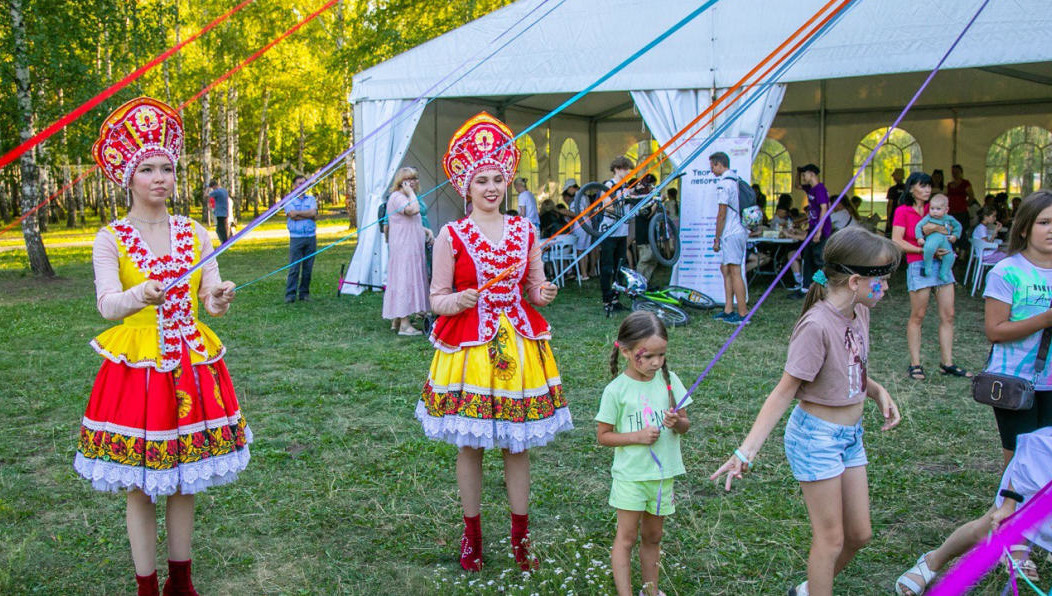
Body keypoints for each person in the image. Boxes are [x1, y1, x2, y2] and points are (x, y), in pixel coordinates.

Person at [77, 97, 250, 596]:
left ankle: (182, 579)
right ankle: (147, 586)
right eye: (147, 169)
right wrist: (141, 294)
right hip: (139, 370)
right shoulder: (110, 238)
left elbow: (210, 305)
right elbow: (108, 305)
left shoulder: (195, 233)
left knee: (184, 478)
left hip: (192, 367)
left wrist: (218, 297)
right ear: (128, 178)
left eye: (167, 168)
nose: (159, 177)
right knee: (140, 482)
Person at [417, 112, 572, 572]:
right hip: (469, 353)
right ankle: (472, 535)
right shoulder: (452, 235)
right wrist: (458, 298)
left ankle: (521, 537)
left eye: (497, 179)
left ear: (507, 181)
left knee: (517, 445)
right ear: (466, 185)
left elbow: (533, 288)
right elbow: (435, 298)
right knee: (471, 446)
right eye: (481, 179)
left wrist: (542, 292)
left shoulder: (525, 231)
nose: (490, 187)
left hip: (519, 350)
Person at [711, 227, 902, 596]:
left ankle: (809, 589)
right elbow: (784, 392)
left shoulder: (860, 310)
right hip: (816, 439)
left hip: (850, 437)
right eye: (883, 280)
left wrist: (875, 390)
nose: (888, 288)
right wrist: (745, 451)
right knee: (830, 541)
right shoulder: (815, 325)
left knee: (860, 535)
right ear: (856, 280)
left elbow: (849, 363)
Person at [597, 311, 691, 596]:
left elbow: (685, 424)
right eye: (647, 356)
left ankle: (651, 591)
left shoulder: (670, 380)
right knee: (626, 538)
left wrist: (678, 423)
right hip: (631, 477)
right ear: (625, 351)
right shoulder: (616, 390)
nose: (656, 363)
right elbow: (603, 436)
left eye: (661, 355)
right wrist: (637, 437)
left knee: (654, 537)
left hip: (663, 477)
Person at [894, 426, 1052, 595]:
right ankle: (933, 561)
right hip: (1037, 478)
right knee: (984, 530)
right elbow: (1029, 453)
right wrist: (1008, 504)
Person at [983, 191, 1052, 469]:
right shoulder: (1007, 272)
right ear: (1024, 227)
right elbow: (995, 331)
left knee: (1047, 461)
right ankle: (1008, 511)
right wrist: (1045, 320)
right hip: (1015, 380)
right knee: (1020, 463)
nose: (1051, 230)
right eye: (1044, 223)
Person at [891, 172, 972, 381]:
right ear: (911, 188)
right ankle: (915, 364)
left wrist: (943, 234)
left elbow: (950, 227)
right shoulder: (903, 211)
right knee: (918, 315)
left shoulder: (934, 208)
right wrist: (924, 250)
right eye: (922, 186)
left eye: (929, 186)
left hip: (943, 262)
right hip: (918, 264)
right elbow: (897, 240)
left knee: (949, 314)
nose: (927, 190)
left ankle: (947, 363)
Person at [383, 166, 431, 335]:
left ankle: (397, 319)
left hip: (412, 246)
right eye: (409, 180)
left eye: (415, 179)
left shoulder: (407, 197)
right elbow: (413, 210)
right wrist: (410, 193)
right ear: (401, 182)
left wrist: (426, 231)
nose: (413, 183)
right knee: (404, 280)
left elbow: (411, 222)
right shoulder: (398, 197)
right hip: (404, 247)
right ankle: (404, 324)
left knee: (410, 280)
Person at [710, 151, 749, 323]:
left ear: (719, 164)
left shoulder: (724, 184)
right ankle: (728, 309)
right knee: (725, 269)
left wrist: (716, 238)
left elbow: (721, 214)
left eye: (712, 166)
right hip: (738, 230)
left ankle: (742, 314)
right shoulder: (736, 180)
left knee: (734, 271)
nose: (711, 170)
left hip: (731, 233)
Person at [793, 164, 832, 298]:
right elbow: (796, 186)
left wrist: (819, 231)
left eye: (805, 174)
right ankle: (806, 288)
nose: (803, 177)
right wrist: (798, 172)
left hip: (820, 229)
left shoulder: (820, 189)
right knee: (808, 258)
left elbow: (824, 209)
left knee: (819, 260)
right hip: (812, 228)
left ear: (812, 174)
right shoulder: (810, 188)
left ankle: (823, 289)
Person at [600, 157, 634, 311]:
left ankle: (616, 299)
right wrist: (622, 202)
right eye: (625, 169)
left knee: (620, 266)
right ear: (617, 169)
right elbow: (607, 207)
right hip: (609, 231)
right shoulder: (609, 185)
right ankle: (606, 300)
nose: (627, 172)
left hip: (622, 232)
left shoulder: (626, 186)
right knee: (607, 267)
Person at [283, 174, 317, 303]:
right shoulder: (289, 199)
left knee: (308, 268)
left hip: (310, 237)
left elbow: (314, 213)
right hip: (296, 238)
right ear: (294, 185)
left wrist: (299, 214)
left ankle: (304, 294)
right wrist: (307, 215)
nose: (302, 186)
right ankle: (290, 295)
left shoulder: (311, 199)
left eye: (304, 183)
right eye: (299, 183)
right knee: (294, 268)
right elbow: (292, 215)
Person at [914, 194, 961, 283]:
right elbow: (918, 226)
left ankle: (943, 272)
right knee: (929, 248)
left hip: (945, 240)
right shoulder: (928, 217)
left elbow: (958, 226)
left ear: (946, 210)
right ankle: (928, 266)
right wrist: (919, 237)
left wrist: (955, 235)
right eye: (932, 208)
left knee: (950, 256)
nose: (934, 211)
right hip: (933, 237)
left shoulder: (949, 218)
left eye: (938, 209)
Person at [633, 174, 659, 282]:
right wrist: (656, 203)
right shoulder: (641, 198)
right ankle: (638, 282)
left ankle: (645, 281)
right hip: (643, 234)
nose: (653, 187)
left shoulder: (648, 197)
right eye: (652, 184)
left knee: (653, 259)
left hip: (650, 234)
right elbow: (646, 214)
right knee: (645, 259)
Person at [947, 164, 975, 236]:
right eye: (953, 172)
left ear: (961, 173)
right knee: (952, 230)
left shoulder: (965, 183)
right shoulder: (949, 185)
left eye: (957, 172)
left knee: (962, 231)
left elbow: (971, 196)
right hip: (952, 211)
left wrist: (966, 204)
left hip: (962, 212)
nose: (955, 174)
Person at [885, 167, 906, 237]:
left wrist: (888, 219)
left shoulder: (892, 189)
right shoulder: (907, 189)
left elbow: (890, 205)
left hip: (894, 216)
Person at [208, 179, 230, 244]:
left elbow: (206, 195)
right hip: (225, 211)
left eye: (212, 188)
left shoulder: (216, 191)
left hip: (219, 212)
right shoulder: (224, 190)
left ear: (214, 186)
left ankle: (224, 242)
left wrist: (208, 188)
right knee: (224, 227)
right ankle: (225, 240)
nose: (212, 189)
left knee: (220, 229)